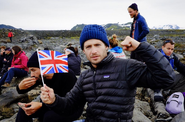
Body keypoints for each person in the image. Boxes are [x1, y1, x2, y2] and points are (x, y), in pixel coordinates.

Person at [40, 24, 175, 122]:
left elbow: (167, 78)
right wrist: (54, 100)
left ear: (106, 46)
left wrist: (141, 47)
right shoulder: (85, 77)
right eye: (88, 46)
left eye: (97, 45)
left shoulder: (127, 67)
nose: (93, 51)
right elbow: (70, 106)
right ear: (83, 50)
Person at [16, 51, 83, 122]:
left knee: (49, 117)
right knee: (23, 110)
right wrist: (20, 87)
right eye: (30, 71)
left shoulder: (67, 75)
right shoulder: (41, 77)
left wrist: (41, 105)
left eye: (33, 70)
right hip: (48, 105)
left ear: (44, 67)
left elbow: (68, 102)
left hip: (71, 108)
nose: (32, 74)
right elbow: (22, 90)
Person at [148, 39, 185, 122]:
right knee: (157, 98)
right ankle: (162, 114)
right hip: (154, 83)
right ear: (162, 47)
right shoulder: (155, 57)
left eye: (172, 49)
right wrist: (157, 91)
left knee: (183, 76)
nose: (170, 51)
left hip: (167, 81)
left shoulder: (172, 56)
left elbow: (181, 67)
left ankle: (173, 95)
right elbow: (152, 75)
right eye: (168, 49)